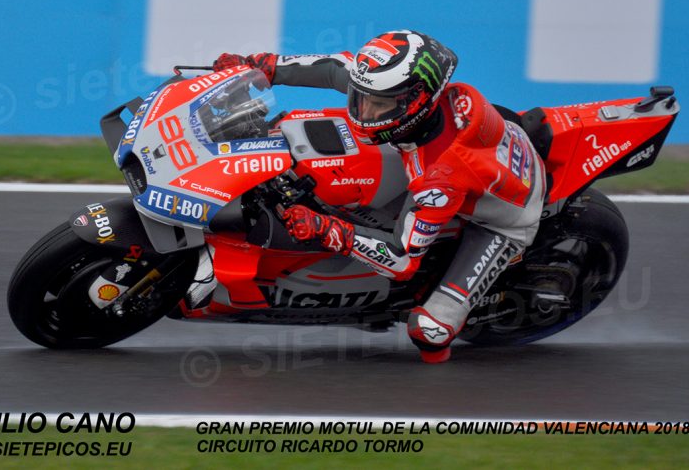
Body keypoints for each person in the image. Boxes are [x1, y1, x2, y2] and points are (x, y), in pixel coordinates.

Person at [213, 30, 546, 363]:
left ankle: (439, 328)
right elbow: (333, 68)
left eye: (379, 103)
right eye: (361, 96)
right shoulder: (396, 88)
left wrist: (327, 229)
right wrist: (256, 67)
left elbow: (402, 261)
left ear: (415, 102)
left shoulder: (438, 179)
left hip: (505, 221)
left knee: (429, 330)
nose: (365, 109)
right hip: (485, 156)